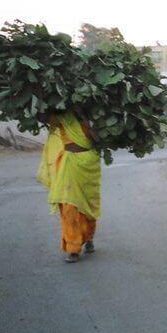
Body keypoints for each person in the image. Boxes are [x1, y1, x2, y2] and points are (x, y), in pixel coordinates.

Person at [37, 111, 101, 262]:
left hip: (89, 163)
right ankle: (73, 248)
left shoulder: (95, 116)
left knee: (88, 207)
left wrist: (85, 118)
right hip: (69, 163)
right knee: (68, 206)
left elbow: (99, 140)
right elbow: (42, 117)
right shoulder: (62, 117)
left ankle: (89, 237)